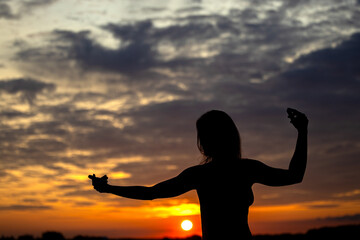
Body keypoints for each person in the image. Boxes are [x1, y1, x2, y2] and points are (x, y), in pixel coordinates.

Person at [89, 108, 308, 240]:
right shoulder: (246, 169)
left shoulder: (202, 174)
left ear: (205, 142)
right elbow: (295, 175)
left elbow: (150, 193)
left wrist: (108, 188)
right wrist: (302, 132)